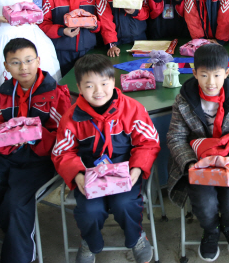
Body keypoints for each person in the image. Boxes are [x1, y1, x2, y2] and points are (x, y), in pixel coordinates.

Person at [0, 38, 71, 263]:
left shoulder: (55, 94)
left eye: (28, 61)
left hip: (39, 161)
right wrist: (10, 137)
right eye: (15, 63)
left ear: (38, 61)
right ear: (6, 66)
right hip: (4, 158)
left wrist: (34, 134)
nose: (23, 67)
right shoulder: (1, 94)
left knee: (16, 205)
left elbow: (64, 136)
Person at [52, 54, 160, 263]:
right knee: (89, 210)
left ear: (113, 81)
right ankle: (89, 242)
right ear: (79, 87)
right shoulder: (71, 117)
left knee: (125, 204)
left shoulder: (132, 109)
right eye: (90, 86)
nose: (98, 91)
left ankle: (136, 236)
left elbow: (149, 142)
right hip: (89, 174)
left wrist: (136, 170)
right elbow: (62, 152)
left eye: (104, 83)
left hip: (126, 171)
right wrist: (78, 175)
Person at [167, 44, 229, 261]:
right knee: (205, 204)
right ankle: (210, 230)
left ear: (226, 73)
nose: (211, 82)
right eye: (204, 75)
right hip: (197, 163)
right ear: (194, 72)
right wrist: (190, 164)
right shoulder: (183, 101)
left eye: (217, 75)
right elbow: (175, 137)